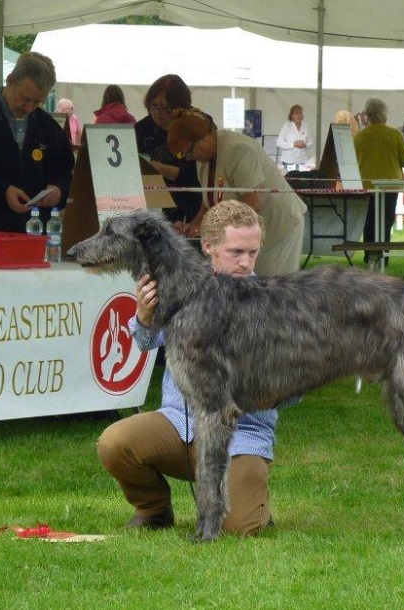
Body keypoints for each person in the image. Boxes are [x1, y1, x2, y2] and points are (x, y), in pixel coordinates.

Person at [97, 200, 298, 536]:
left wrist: (273, 394)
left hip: (241, 436)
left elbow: (297, 388)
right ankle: (154, 510)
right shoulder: (180, 287)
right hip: (178, 425)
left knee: (240, 528)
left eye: (253, 252)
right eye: (236, 251)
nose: (246, 262)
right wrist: (145, 317)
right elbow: (147, 343)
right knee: (115, 442)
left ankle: (251, 500)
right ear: (209, 247)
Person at [167, 108, 307, 276]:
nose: (189, 158)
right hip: (253, 233)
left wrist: (212, 230)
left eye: (189, 152)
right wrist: (193, 226)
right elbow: (209, 202)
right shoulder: (203, 159)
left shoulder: (239, 149)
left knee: (273, 291)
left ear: (204, 138)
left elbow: (251, 205)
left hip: (279, 227)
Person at [0, 51, 75, 232]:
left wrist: (59, 189)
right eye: (25, 99)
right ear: (10, 80)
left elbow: (66, 173)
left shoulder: (48, 127)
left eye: (37, 102)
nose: (29, 108)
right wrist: (2, 191)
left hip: (35, 235)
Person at [134, 74, 203, 225]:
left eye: (166, 108)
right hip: (149, 206)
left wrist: (155, 168)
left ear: (181, 107)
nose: (158, 112)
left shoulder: (194, 127)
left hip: (187, 209)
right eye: (154, 106)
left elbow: (195, 175)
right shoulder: (141, 129)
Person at [354, 98, 404, 263]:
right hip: (389, 186)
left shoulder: (360, 136)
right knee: (385, 221)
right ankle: (383, 257)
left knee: (369, 222)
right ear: (384, 115)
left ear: (367, 116)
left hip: (367, 186)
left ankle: (369, 256)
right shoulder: (394, 134)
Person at [276, 104, 313, 168]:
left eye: (300, 113)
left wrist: (305, 145)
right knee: (289, 177)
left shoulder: (305, 126)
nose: (299, 115)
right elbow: (279, 143)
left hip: (302, 160)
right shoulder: (287, 126)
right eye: (297, 113)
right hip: (288, 161)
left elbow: (311, 143)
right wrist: (293, 144)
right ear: (292, 115)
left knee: (302, 177)